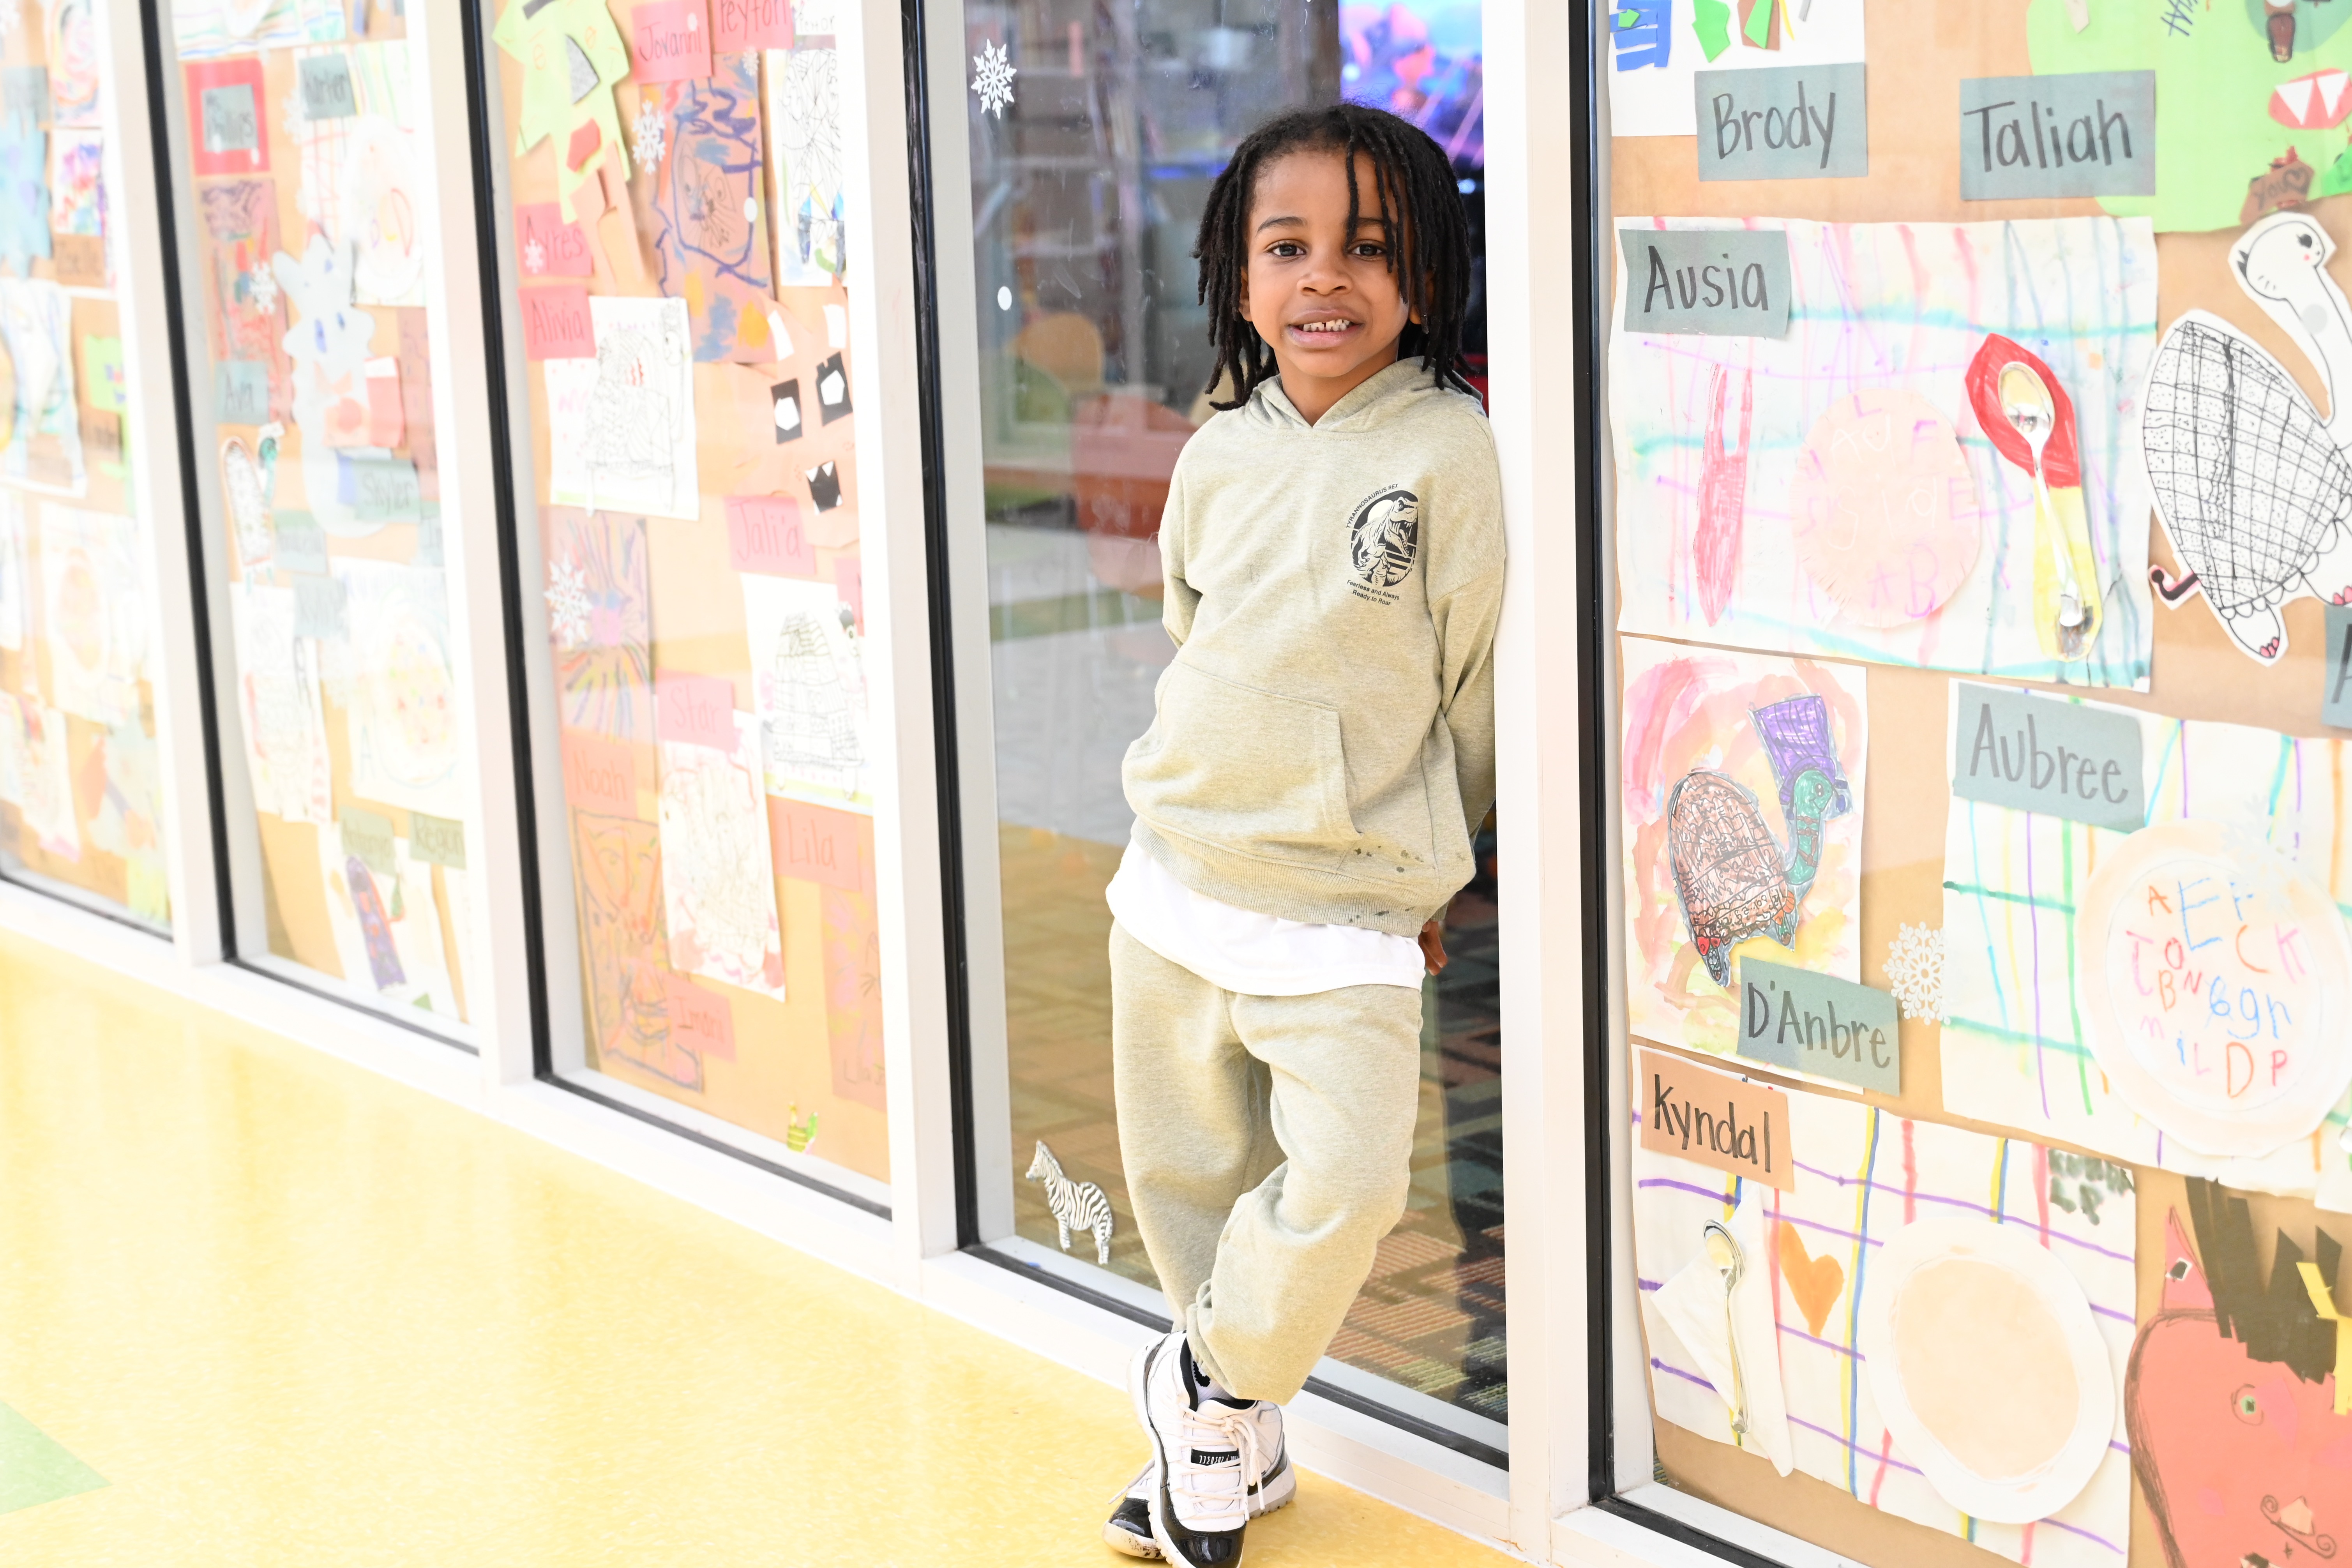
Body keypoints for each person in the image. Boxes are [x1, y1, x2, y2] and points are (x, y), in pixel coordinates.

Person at [1098, 102, 1504, 1566]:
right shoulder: (1218, 449)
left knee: (1341, 1185)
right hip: (1176, 879)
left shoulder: (1454, 454)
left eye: (1370, 247)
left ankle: (1203, 1384)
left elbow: (1475, 692)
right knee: (1188, 1189)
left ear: (1426, 277)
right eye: (1289, 246)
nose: (1325, 278)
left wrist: (1432, 854)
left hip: (1351, 902)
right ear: (1238, 271)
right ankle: (1236, 1445)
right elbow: (1189, 626)